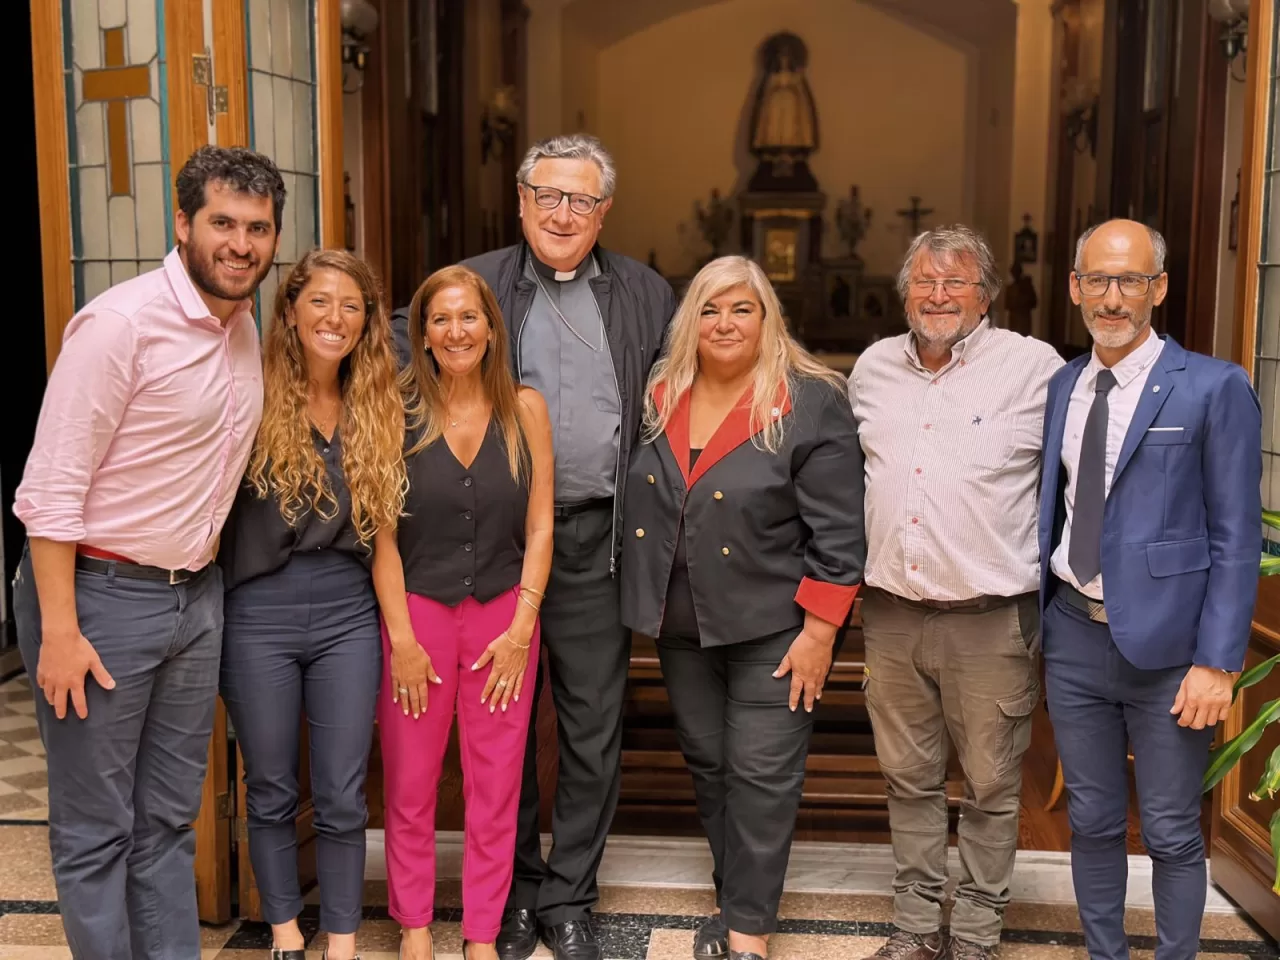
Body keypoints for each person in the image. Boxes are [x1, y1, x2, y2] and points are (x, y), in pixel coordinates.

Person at [390, 133, 675, 960]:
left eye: (581, 199)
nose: (562, 213)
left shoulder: (645, 293)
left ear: (604, 211)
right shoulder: (474, 283)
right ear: (519, 202)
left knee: (591, 726)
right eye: (546, 195)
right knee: (499, 731)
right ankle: (511, 894)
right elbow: (397, 364)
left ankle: (570, 895)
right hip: (486, 545)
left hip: (594, 536)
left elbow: (691, 378)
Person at [10, 145, 283, 960]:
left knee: (166, 821)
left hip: (194, 599)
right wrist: (60, 630)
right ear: (183, 223)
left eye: (259, 228)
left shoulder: (242, 328)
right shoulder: (120, 326)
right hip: (99, 597)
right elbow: (50, 489)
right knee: (97, 828)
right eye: (224, 223)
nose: (241, 244)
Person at [622, 256, 865, 960]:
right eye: (709, 309)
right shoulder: (659, 393)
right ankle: (737, 899)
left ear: (768, 319)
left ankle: (747, 935)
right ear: (689, 322)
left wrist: (821, 632)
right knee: (710, 764)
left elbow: (840, 532)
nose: (724, 323)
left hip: (776, 627)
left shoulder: (810, 400)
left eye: (742, 309)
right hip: (680, 623)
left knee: (761, 774)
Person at [1038, 219, 1261, 960]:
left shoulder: (1215, 387)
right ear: (1075, 288)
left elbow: (1237, 537)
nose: (1113, 297)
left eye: (1130, 280)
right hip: (1073, 634)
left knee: (1169, 830)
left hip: (1171, 652)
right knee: (1093, 822)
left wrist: (1217, 662)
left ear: (1157, 288)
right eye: (1098, 280)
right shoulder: (1065, 385)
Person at [849, 225, 1064, 960]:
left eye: (956, 282)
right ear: (904, 292)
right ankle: (914, 928)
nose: (938, 295)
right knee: (906, 781)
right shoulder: (873, 368)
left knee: (991, 787)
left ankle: (974, 935)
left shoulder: (1035, 369)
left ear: (987, 294)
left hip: (990, 621)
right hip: (891, 616)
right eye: (925, 281)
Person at [217, 248, 405, 960]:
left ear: (367, 322)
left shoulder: (377, 404)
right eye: (320, 301)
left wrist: (401, 634)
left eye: (352, 305)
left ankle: (343, 942)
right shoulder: (248, 392)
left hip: (347, 616)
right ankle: (287, 935)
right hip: (257, 614)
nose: (336, 317)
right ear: (290, 311)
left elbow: (385, 535)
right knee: (268, 785)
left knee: (342, 791)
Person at [378, 265, 554, 960]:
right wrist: (401, 639)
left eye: (468, 317)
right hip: (416, 616)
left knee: (496, 785)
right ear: (422, 334)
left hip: (504, 619)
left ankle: (482, 932)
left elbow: (540, 525)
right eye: (441, 319)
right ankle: (415, 926)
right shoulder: (394, 410)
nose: (456, 331)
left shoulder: (526, 409)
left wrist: (522, 629)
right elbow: (381, 537)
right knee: (411, 780)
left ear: (490, 328)